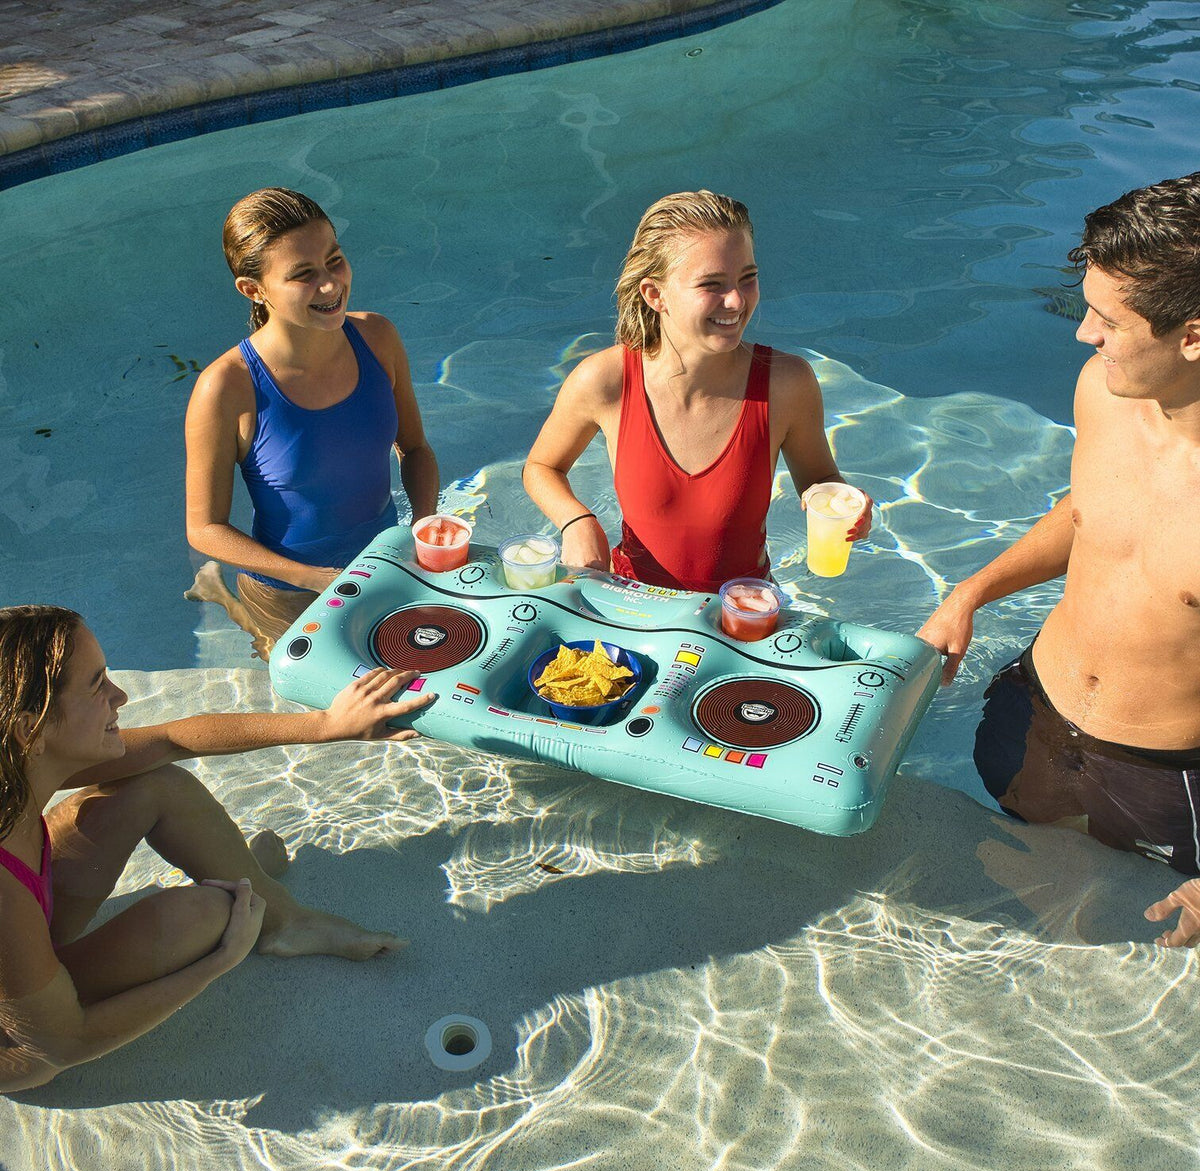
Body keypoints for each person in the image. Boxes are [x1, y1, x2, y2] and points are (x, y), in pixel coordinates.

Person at [916, 172, 1200, 949]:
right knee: (1010, 889)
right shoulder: (1105, 393)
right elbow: (1087, 513)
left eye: (1109, 320)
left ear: (1194, 334)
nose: (1084, 335)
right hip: (1035, 708)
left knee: (1119, 942)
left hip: (1161, 778)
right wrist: (971, 593)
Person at [0, 604, 435, 1093]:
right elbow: (62, 1044)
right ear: (29, 728)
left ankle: (284, 920)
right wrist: (219, 961)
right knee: (207, 914)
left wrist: (327, 724)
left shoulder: (15, 759)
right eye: (97, 684)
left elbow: (172, 739)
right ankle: (244, 905)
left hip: (28, 929)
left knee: (157, 785)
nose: (119, 696)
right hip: (17, 1049)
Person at [522, 190, 870, 594]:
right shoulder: (606, 380)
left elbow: (821, 480)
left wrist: (850, 508)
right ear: (656, 295)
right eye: (712, 284)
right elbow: (541, 467)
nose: (737, 300)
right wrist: (576, 521)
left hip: (742, 613)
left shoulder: (786, 384)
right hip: (631, 602)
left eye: (748, 277)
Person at [185, 187, 439, 659]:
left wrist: (422, 531)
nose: (330, 285)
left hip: (386, 565)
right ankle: (221, 594)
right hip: (290, 590)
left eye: (335, 260)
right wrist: (314, 579)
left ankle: (219, 591)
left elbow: (416, 449)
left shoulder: (378, 337)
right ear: (253, 289)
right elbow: (204, 528)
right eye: (303, 275)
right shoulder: (226, 387)